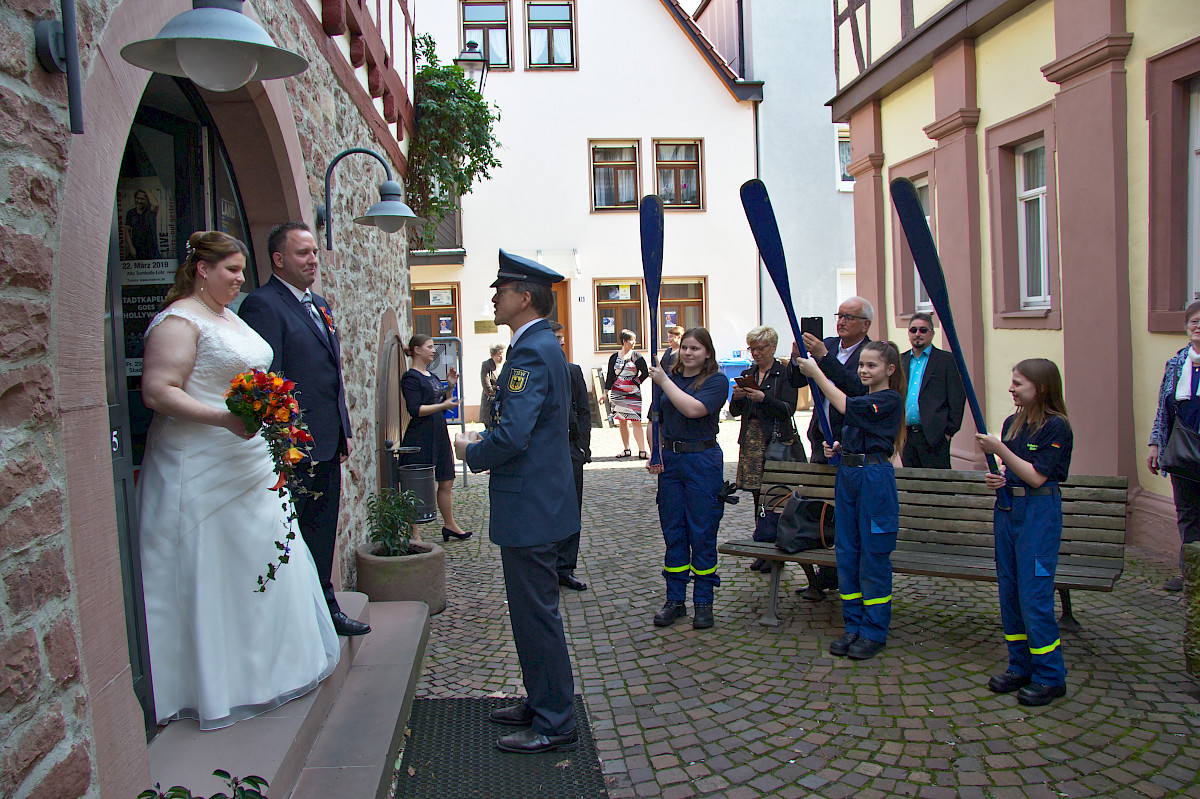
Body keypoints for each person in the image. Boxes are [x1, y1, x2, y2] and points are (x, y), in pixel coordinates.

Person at [138, 231, 339, 730]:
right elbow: (158, 392)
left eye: (242, 271)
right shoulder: (179, 320)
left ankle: (271, 668)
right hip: (199, 458)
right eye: (230, 269)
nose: (239, 279)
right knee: (214, 564)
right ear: (202, 269)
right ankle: (213, 683)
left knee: (264, 556)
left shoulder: (229, 317)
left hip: (248, 459)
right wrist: (224, 419)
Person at [453, 250, 580, 754]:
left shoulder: (530, 351)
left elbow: (514, 436)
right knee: (530, 613)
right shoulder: (540, 345)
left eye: (501, 290)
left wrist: (471, 451)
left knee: (536, 614)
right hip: (537, 501)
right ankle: (542, 698)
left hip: (531, 505)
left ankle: (555, 720)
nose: (493, 296)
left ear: (524, 298)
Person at [239, 222, 368, 636]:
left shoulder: (321, 304)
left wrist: (344, 428)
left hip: (327, 442)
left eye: (314, 252)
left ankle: (323, 608)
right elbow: (268, 380)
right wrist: (286, 442)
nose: (313, 260)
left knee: (323, 531)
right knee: (295, 534)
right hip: (293, 448)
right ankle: (304, 618)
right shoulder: (263, 305)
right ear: (278, 260)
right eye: (302, 254)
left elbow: (332, 375)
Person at [795, 340, 905, 661]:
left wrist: (817, 374)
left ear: (889, 370)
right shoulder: (866, 396)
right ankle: (853, 625)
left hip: (874, 480)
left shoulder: (888, 399)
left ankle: (874, 630)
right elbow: (854, 425)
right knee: (848, 552)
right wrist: (840, 446)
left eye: (872, 366)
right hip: (848, 475)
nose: (864, 370)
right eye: (862, 365)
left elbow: (845, 405)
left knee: (873, 555)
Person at [976, 359, 1073, 707]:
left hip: (1038, 513)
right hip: (1008, 509)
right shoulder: (1012, 424)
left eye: (1018, 383)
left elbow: (1036, 477)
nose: (1011, 389)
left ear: (1041, 387)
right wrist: (997, 476)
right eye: (1011, 382)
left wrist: (999, 451)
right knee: (1011, 592)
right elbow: (1014, 470)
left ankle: (1050, 675)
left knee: (1034, 595)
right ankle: (1020, 665)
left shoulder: (1056, 427)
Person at [788, 296, 874, 595]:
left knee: (845, 509)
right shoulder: (828, 345)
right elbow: (798, 382)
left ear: (865, 324)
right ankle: (823, 572)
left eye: (849, 317)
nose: (841, 321)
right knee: (819, 505)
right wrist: (797, 357)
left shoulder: (870, 352)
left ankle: (845, 570)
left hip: (847, 440)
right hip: (820, 438)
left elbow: (856, 387)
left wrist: (824, 358)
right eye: (840, 315)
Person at [647, 328, 731, 630]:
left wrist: (664, 382)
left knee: (702, 530)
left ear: (707, 353)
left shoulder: (716, 381)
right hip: (671, 461)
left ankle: (704, 601)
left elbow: (694, 409)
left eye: (695, 348)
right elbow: (654, 418)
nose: (688, 353)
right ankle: (675, 600)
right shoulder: (667, 378)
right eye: (684, 347)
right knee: (674, 530)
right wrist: (654, 452)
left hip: (702, 460)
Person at [729, 326, 801, 572]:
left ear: (772, 347)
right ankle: (763, 545)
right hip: (751, 441)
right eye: (752, 349)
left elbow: (789, 408)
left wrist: (764, 399)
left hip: (776, 442)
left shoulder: (784, 373)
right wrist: (737, 398)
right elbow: (734, 412)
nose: (756, 353)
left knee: (776, 495)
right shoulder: (748, 372)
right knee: (757, 495)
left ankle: (776, 549)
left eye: (760, 348)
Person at [1148, 300, 1200, 592]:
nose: (1198, 327)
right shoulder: (1176, 363)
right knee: (1188, 513)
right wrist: (1155, 444)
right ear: (1186, 327)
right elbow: (1162, 410)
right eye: (1194, 322)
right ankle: (1190, 573)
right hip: (1182, 450)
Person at [400, 334, 471, 543]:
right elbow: (415, 410)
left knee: (446, 479)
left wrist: (449, 386)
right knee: (416, 484)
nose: (433, 350)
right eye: (429, 347)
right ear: (416, 349)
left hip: (438, 432)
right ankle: (413, 532)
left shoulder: (429, 375)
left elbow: (442, 401)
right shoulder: (411, 378)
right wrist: (444, 406)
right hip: (420, 435)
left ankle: (449, 524)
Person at [550, 321, 591, 591]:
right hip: (543, 452)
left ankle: (565, 568)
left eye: (563, 338)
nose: (562, 343)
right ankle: (546, 568)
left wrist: (583, 448)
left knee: (571, 509)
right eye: (556, 338)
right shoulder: (535, 373)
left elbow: (585, 412)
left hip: (570, 448)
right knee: (546, 510)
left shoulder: (573, 371)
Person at [900, 312, 966, 469]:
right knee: (913, 485)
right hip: (906, 436)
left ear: (932, 333)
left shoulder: (946, 360)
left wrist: (949, 432)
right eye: (913, 330)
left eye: (923, 330)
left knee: (939, 484)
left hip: (934, 435)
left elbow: (957, 397)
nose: (918, 334)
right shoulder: (900, 360)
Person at [605, 329, 649, 458]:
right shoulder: (614, 357)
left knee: (636, 420)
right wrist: (605, 392)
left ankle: (642, 450)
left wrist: (635, 382)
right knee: (622, 421)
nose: (634, 342)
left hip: (632, 392)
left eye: (634, 340)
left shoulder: (637, 356)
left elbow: (645, 373)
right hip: (618, 392)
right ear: (624, 341)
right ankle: (626, 449)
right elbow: (610, 376)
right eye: (631, 340)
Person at [123, 188, 160, 259]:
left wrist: (147, 189)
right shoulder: (130, 213)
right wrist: (131, 247)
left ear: (147, 201)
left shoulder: (151, 212)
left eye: (142, 199)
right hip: (136, 250)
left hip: (151, 251)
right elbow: (126, 230)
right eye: (138, 198)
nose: (139, 201)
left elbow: (155, 204)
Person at [480, 343, 504, 431]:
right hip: (490, 402)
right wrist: (495, 395)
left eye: (503, 355)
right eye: (499, 356)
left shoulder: (505, 365)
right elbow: (486, 384)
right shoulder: (487, 365)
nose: (501, 358)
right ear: (492, 355)